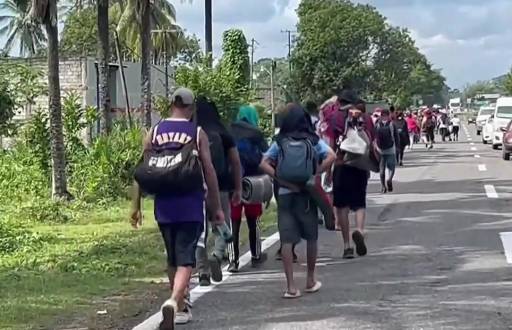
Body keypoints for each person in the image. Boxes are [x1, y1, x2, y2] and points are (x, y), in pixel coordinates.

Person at [131, 88, 225, 328]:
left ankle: (182, 308)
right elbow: (209, 171)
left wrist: (136, 206)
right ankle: (174, 301)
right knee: (186, 259)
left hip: (163, 205)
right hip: (190, 203)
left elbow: (143, 169)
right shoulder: (196, 132)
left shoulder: (155, 131)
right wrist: (215, 207)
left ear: (171, 104)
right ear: (192, 108)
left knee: (172, 256)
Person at [260, 103, 335, 298]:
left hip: (285, 194)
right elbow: (332, 156)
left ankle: (291, 286)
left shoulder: (280, 141)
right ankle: (310, 280)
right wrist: (315, 171)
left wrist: (280, 178)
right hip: (306, 194)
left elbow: (263, 163)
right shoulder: (313, 141)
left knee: (286, 240)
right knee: (311, 237)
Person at [194, 96, 243, 286]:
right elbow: (236, 162)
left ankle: (202, 272)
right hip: (221, 185)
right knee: (222, 223)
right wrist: (238, 187)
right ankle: (217, 254)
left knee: (200, 231)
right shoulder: (223, 132)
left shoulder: (194, 133)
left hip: (197, 187)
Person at [324, 90, 375, 259]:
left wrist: (328, 171)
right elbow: (371, 142)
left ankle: (347, 246)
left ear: (340, 102)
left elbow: (331, 145)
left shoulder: (335, 118)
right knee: (360, 202)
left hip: (341, 164)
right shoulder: (365, 117)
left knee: (342, 207)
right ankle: (359, 230)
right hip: (360, 165)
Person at [229, 105, 269, 272]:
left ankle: (233, 260)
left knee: (234, 222)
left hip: (233, 181)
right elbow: (267, 154)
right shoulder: (256, 133)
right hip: (253, 182)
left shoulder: (229, 131)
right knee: (254, 221)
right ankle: (256, 255)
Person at [375, 109, 400, 193]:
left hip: (380, 149)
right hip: (391, 148)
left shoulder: (377, 124)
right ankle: (389, 179)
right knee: (391, 167)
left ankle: (383, 187)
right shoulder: (392, 124)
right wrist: (397, 147)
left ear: (381, 115)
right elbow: (396, 136)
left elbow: (373, 136)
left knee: (382, 168)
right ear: (388, 115)